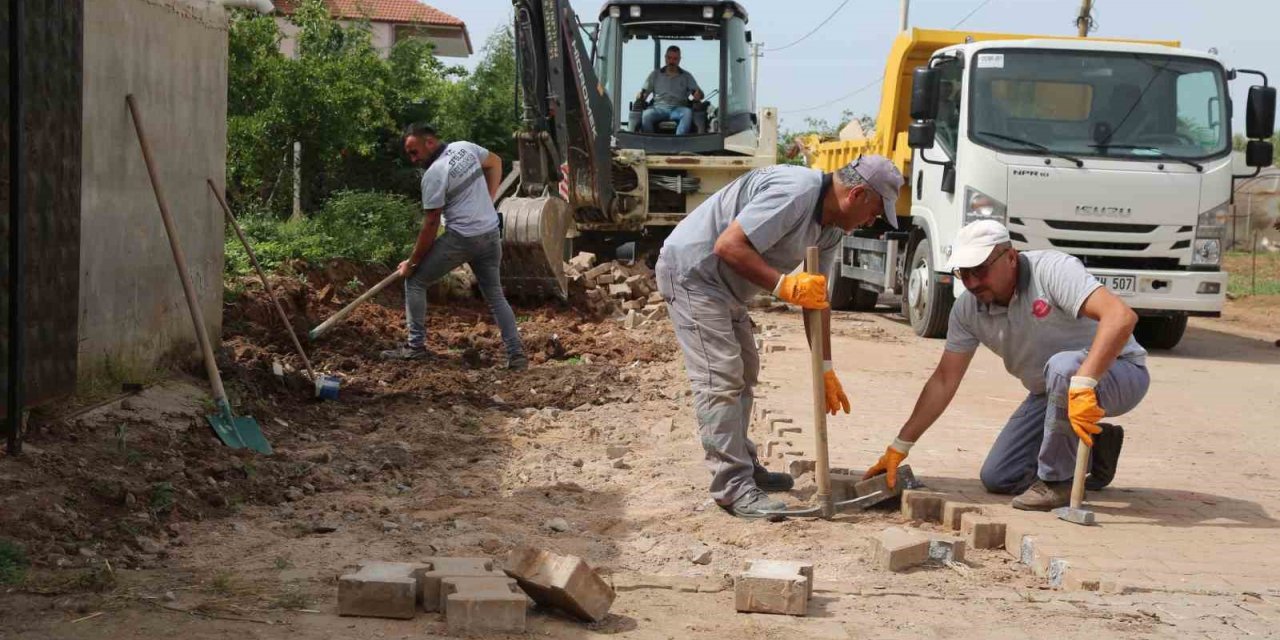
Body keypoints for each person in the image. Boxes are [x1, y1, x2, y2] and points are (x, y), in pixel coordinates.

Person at [656, 156, 904, 518]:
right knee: (721, 376)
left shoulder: (831, 227)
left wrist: (826, 367)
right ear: (858, 194)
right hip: (694, 274)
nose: (871, 222)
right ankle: (732, 487)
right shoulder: (797, 192)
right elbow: (728, 246)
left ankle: (743, 465)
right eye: (875, 212)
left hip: (726, 287)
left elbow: (816, 298)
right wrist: (783, 284)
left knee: (745, 371)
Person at [862, 220, 1149, 510]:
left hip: (1117, 373)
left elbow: (1121, 317)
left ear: (1010, 257)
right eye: (964, 273)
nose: (972, 283)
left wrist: (1085, 382)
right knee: (1000, 476)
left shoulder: (1052, 271)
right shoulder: (967, 310)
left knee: (1064, 367)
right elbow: (944, 380)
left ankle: (1057, 484)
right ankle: (1094, 447)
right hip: (1052, 393)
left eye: (980, 271)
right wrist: (900, 446)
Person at [381, 123, 528, 371]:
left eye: (414, 151)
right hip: (490, 233)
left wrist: (412, 263)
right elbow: (495, 162)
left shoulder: (434, 174)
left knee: (415, 282)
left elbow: (430, 224)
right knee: (495, 295)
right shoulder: (465, 147)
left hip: (462, 239)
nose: (412, 158)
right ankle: (517, 356)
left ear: (429, 142)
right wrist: (488, 202)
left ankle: (415, 347)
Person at [637, 46, 704, 135]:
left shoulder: (686, 76)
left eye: (675, 59)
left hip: (678, 108)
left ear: (679, 59)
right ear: (665, 58)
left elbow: (699, 94)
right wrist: (640, 96)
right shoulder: (655, 75)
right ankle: (650, 141)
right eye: (669, 58)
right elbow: (644, 94)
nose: (672, 61)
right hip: (659, 108)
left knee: (687, 113)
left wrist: (698, 95)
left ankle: (679, 141)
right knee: (646, 115)